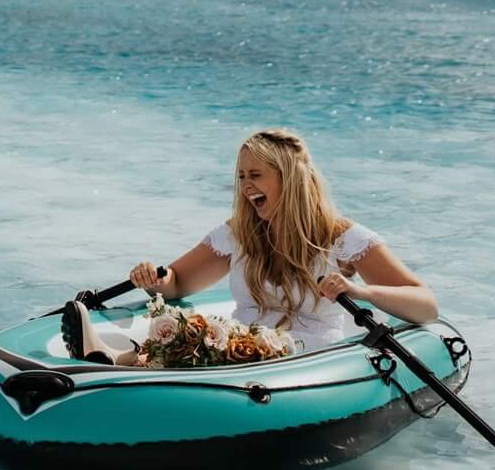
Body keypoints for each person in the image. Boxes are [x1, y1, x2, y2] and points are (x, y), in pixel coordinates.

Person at [62, 127, 439, 363]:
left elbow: (426, 306)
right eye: (242, 176)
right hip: (242, 339)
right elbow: (178, 282)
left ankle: (115, 359)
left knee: (204, 343)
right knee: (181, 325)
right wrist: (155, 280)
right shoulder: (240, 232)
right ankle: (109, 357)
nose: (245, 186)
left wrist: (361, 290)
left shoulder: (341, 237)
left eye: (256, 175)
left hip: (305, 359)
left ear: (289, 180)